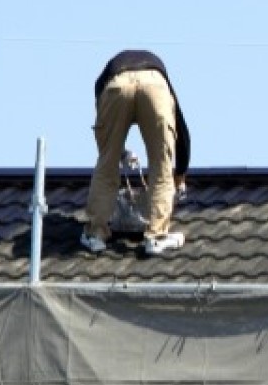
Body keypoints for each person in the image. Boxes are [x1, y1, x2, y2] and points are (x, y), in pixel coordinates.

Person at [81, 50, 191, 256]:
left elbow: (105, 139)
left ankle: (95, 234)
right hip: (155, 85)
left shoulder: (104, 79)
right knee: (161, 165)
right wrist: (180, 174)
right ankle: (157, 237)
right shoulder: (161, 75)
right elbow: (182, 132)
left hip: (116, 84)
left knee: (106, 164)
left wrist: (118, 153)